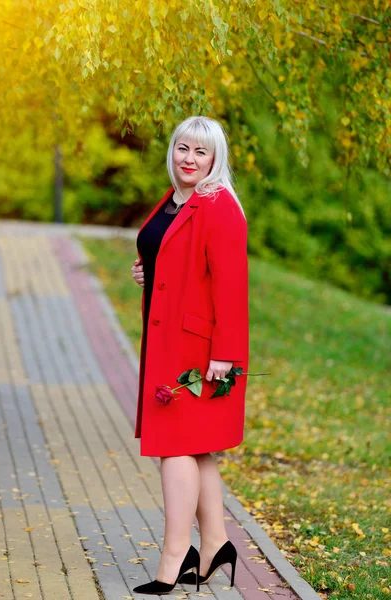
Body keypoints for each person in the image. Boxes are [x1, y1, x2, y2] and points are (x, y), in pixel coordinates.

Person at [131, 116, 249, 595]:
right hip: (166, 339)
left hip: (197, 351)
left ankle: (176, 557)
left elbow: (231, 287)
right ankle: (217, 542)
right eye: (183, 148)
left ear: (216, 158)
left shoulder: (219, 205)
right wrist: (148, 270)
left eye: (201, 152)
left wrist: (225, 354)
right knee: (195, 448)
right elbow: (171, 254)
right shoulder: (175, 199)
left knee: (173, 447)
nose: (189, 159)